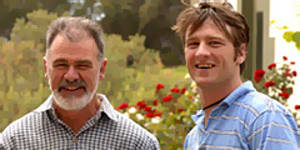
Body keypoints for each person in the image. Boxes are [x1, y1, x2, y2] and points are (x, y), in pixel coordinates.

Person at [0, 17, 160, 150]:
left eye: (82, 65)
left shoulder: (138, 144)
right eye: (61, 65)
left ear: (102, 69)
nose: (71, 76)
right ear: (46, 68)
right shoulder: (14, 141)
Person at [172, 1, 300, 150]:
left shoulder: (264, 118)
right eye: (193, 44)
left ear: (241, 53)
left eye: (214, 43)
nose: (201, 52)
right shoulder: (193, 137)